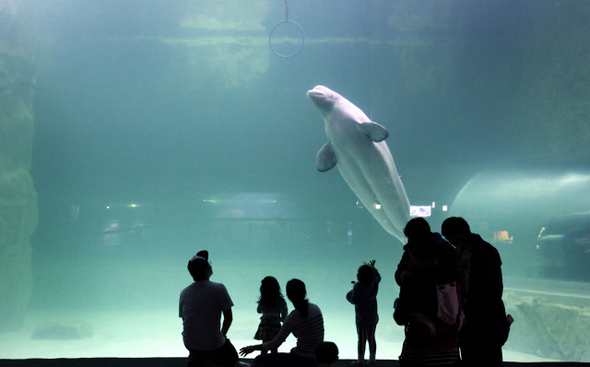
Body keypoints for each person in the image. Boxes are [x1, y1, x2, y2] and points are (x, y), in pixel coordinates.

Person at [441, 217, 511, 367]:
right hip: (493, 315)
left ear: (457, 234)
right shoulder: (489, 249)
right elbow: (496, 287)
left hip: (471, 318)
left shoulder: (462, 253)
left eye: (449, 238)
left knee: (471, 358)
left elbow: (462, 287)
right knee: (492, 358)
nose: (450, 242)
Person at [393, 218, 463, 367]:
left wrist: (404, 280)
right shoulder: (453, 276)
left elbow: (399, 317)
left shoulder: (413, 280)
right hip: (450, 349)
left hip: (420, 351)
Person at [240, 279, 324, 367]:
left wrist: (252, 348)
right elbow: (312, 336)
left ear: (288, 295)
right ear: (304, 292)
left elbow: (275, 343)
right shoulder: (316, 308)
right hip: (316, 356)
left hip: (304, 359)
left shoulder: (293, 317)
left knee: (260, 359)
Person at [179, 250, 240, 367]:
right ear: (208, 268)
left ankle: (196, 359)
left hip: (189, 343)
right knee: (231, 355)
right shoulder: (219, 288)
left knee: (200, 354)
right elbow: (228, 318)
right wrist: (222, 335)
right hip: (213, 344)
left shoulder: (184, 292)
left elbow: (184, 320)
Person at [346, 260, 381, 367]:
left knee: (361, 339)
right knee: (371, 338)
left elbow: (354, 299)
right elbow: (378, 277)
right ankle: (372, 359)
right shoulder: (374, 282)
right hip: (373, 317)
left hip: (361, 318)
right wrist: (373, 268)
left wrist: (349, 293)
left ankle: (360, 360)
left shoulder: (358, 286)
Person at [253, 276, 288, 354]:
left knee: (264, 346)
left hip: (265, 325)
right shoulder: (281, 300)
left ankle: (262, 363)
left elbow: (258, 311)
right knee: (274, 346)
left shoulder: (263, 300)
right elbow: (284, 312)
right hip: (276, 324)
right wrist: (282, 319)